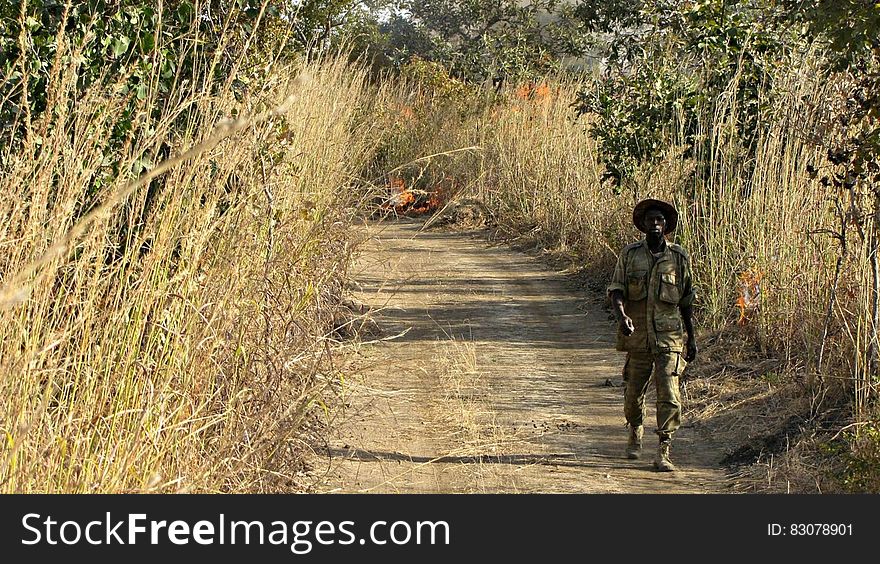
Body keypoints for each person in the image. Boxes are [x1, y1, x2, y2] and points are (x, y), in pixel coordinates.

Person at [606, 199, 697, 472]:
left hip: (669, 338)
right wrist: (622, 316)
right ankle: (635, 431)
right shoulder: (630, 255)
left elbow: (687, 300)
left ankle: (664, 450)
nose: (656, 225)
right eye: (651, 220)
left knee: (669, 393)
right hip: (638, 337)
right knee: (633, 394)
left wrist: (692, 338)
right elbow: (617, 289)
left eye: (660, 220)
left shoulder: (679, 258)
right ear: (643, 225)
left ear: (666, 225)